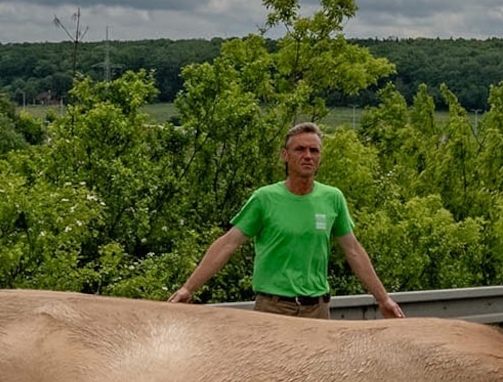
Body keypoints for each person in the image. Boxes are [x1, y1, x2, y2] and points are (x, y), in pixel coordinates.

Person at [171, 122, 407, 322]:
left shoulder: (332, 198)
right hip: (273, 310)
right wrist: (188, 288)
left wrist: (382, 298)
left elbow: (353, 251)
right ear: (286, 155)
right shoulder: (265, 199)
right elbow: (227, 244)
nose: (307, 156)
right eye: (300, 149)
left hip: (317, 311)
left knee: (317, 377)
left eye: (314, 151)